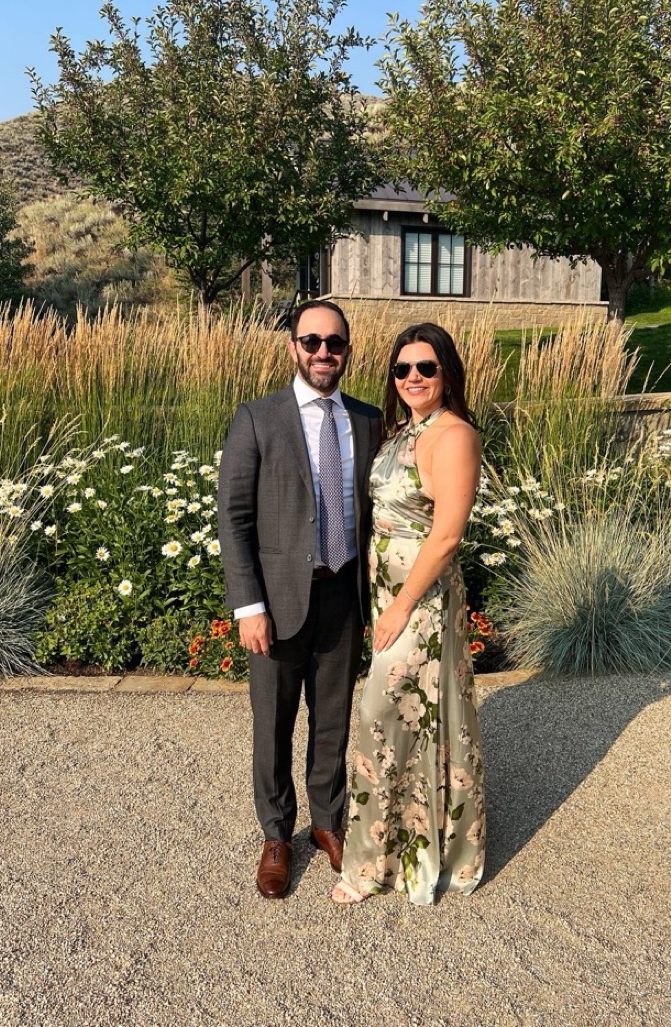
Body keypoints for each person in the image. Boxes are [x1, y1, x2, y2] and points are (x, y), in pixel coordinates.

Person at [218, 300, 383, 899]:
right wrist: (249, 606)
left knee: (332, 720)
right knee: (273, 723)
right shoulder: (257, 418)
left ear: (347, 351)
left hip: (343, 594)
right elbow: (234, 518)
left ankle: (327, 822)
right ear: (293, 347)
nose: (322, 352)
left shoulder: (367, 421)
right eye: (311, 341)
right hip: (278, 600)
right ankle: (275, 835)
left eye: (334, 343)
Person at [332, 322, 485, 906]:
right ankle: (401, 847)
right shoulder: (400, 432)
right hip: (385, 593)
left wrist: (399, 606)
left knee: (380, 712)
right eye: (402, 369)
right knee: (406, 719)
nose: (413, 377)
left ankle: (370, 865)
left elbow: (446, 535)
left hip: (420, 599)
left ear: (447, 372)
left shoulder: (455, 436)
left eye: (426, 367)